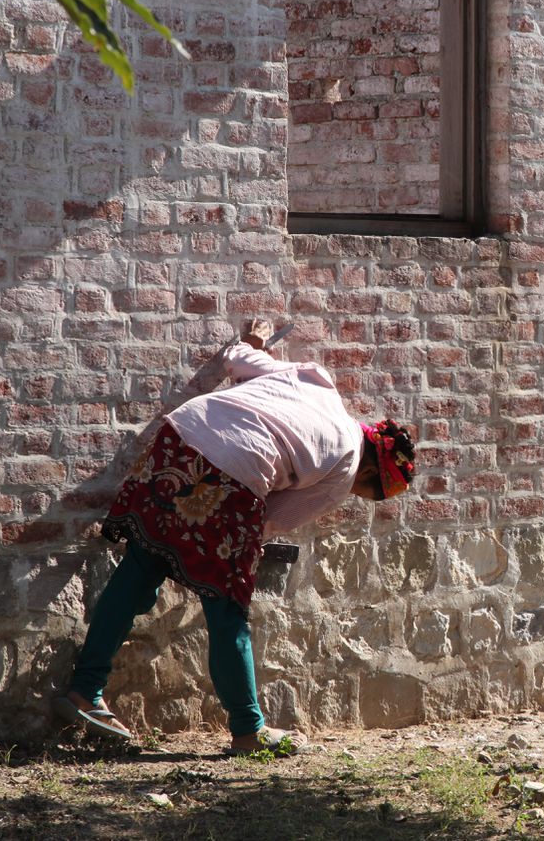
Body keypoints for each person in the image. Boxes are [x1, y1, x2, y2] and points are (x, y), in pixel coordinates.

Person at [52, 323, 416, 754]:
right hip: (233, 473)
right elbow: (268, 520)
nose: (361, 496)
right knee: (227, 606)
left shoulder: (318, 382)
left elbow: (239, 360)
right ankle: (248, 729)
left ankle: (85, 690)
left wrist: (256, 343)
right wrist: (238, 552)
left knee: (143, 564)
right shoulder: (344, 469)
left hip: (180, 437)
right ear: (372, 470)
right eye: (371, 492)